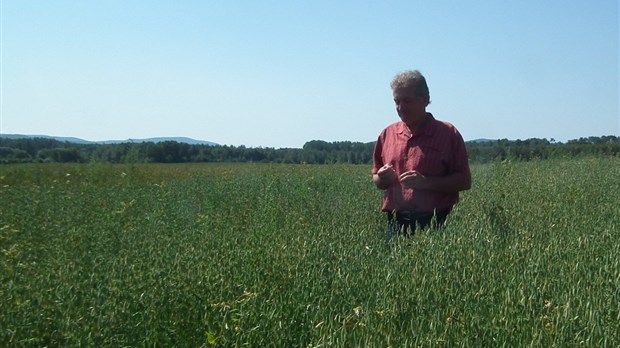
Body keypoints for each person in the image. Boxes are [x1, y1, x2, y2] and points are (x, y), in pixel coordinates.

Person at [372, 70, 471, 237]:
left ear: (424, 99)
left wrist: (426, 183)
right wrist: (381, 179)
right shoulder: (387, 134)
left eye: (407, 101)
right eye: (397, 101)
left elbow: (464, 181)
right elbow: (376, 179)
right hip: (395, 224)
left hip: (437, 222)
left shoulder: (448, 134)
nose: (401, 108)